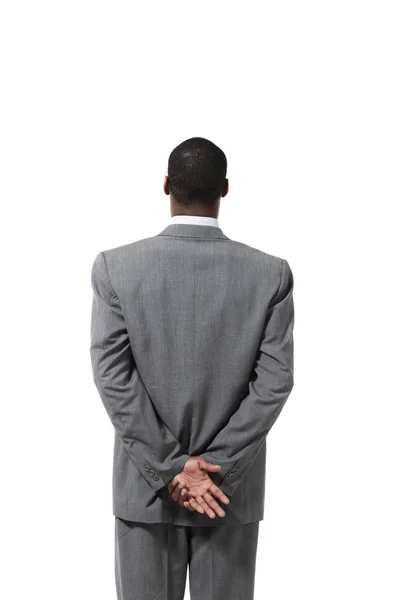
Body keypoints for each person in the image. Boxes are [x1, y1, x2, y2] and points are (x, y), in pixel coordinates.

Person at [90, 136, 295, 600]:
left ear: (166, 185)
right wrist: (211, 469)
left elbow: (113, 379)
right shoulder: (271, 274)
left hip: (145, 492)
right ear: (225, 189)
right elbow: (275, 382)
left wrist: (172, 468)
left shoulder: (115, 269)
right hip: (227, 495)